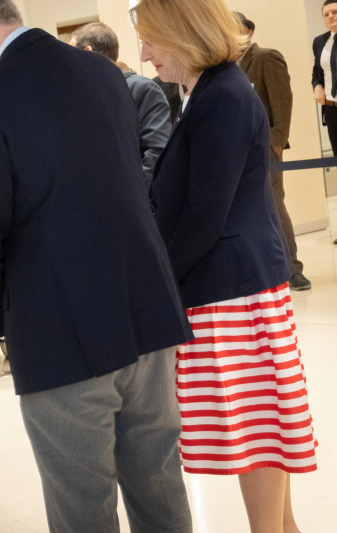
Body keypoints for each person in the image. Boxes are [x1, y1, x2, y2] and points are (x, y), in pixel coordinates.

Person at [0, 1, 194, 531]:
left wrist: (9, 327)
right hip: (147, 309)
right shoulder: (102, 71)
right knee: (160, 483)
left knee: (82, 503)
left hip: (59, 329)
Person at [133, 1, 318, 532]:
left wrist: (158, 282)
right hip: (231, 285)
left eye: (151, 41)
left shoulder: (223, 96)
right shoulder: (213, 92)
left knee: (258, 432)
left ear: (182, 33)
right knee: (261, 429)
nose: (145, 56)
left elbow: (203, 215)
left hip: (231, 289)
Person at [236, 13, 310, 291]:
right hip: (238, 151)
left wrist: (276, 143)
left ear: (249, 31)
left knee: (275, 206)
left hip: (266, 149)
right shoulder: (227, 66)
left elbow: (282, 102)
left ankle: (294, 270)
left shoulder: (266, 57)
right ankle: (270, 269)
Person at [70, 22, 171, 190]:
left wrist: (131, 200)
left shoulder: (142, 89)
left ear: (88, 53)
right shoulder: (86, 98)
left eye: (71, 55)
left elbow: (156, 153)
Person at [313, 0, 337, 159]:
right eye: (326, 14)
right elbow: (316, 70)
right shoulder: (320, 41)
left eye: (334, 12)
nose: (330, 16)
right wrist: (317, 86)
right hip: (331, 108)